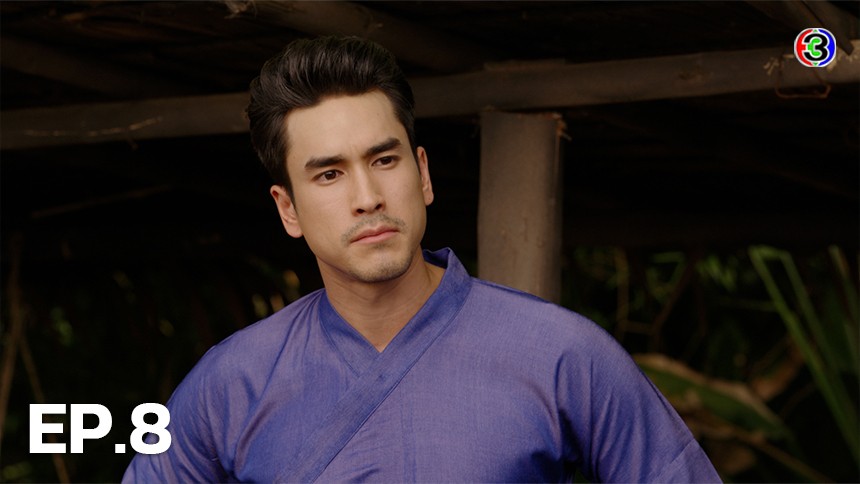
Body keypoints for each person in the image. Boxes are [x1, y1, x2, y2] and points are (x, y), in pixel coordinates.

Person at [123, 36, 720, 483]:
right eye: (329, 174)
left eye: (385, 160)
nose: (367, 197)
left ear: (423, 173)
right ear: (288, 209)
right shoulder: (231, 383)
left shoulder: (562, 355)